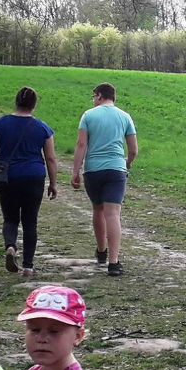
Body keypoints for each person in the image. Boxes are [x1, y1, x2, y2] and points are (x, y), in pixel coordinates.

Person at [0, 86, 57, 276]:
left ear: (16, 102)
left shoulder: (0, 124)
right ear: (34, 104)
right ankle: (28, 266)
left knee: (10, 218)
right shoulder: (43, 128)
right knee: (30, 221)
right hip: (34, 177)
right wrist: (53, 183)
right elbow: (51, 158)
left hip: (8, 178)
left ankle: (11, 247)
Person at [72, 82, 137, 277]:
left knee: (98, 209)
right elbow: (133, 150)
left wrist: (76, 171)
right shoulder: (125, 116)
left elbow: (81, 144)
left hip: (93, 170)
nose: (93, 100)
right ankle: (113, 262)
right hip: (116, 169)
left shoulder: (88, 115)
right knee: (113, 214)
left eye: (94, 96)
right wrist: (128, 162)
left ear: (100, 96)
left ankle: (101, 251)